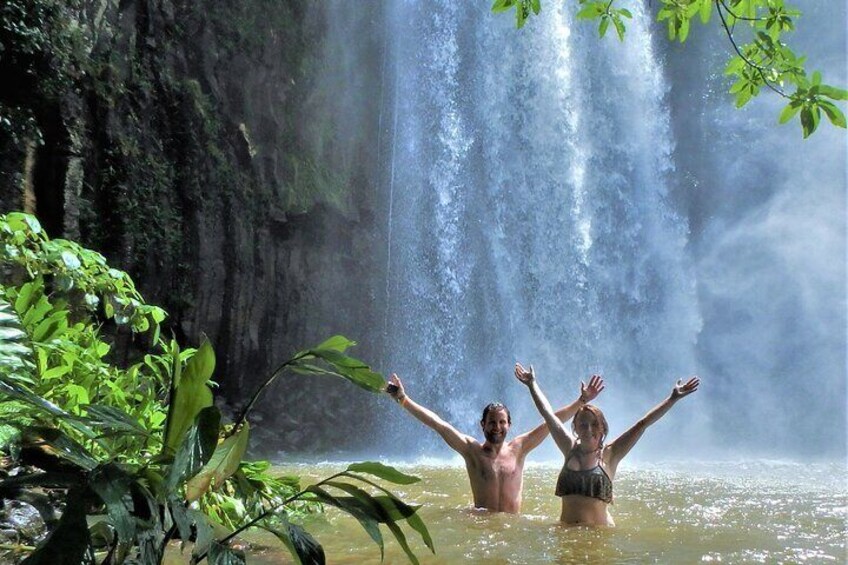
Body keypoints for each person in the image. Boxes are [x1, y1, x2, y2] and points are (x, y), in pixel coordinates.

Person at [385, 372, 604, 513]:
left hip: (512, 530)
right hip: (482, 531)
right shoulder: (472, 451)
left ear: (509, 425)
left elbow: (552, 421)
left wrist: (582, 401)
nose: (497, 427)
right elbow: (438, 424)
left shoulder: (520, 448)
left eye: (501, 422)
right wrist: (404, 400)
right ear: (483, 424)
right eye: (492, 422)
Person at [514, 362, 700, 526]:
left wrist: (672, 399)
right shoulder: (569, 448)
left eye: (594, 424)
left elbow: (643, 424)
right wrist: (532, 384)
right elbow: (548, 414)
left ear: (603, 428)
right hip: (567, 536)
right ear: (575, 428)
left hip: (598, 538)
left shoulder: (611, 454)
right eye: (583, 424)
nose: (588, 429)